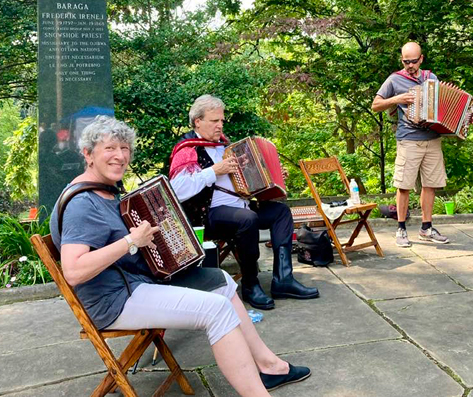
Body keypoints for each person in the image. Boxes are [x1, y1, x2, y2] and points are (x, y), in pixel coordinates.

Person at [49, 115, 312, 395]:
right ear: (88, 154)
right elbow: (74, 271)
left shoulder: (107, 193)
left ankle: (269, 365)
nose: (120, 156)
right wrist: (130, 241)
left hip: (136, 284)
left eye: (125, 149)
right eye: (110, 148)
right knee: (216, 310)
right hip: (115, 301)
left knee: (221, 281)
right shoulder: (82, 203)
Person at [169, 95, 319, 310]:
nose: (220, 125)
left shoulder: (226, 147)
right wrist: (213, 171)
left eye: (221, 120)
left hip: (243, 207)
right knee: (246, 219)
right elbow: (178, 190)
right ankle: (250, 284)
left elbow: (248, 182)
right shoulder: (187, 149)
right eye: (214, 121)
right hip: (208, 214)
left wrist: (272, 177)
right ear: (197, 122)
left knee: (281, 212)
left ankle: (283, 280)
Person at [372, 42, 473, 247]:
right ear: (401, 60)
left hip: (432, 140)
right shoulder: (395, 79)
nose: (410, 65)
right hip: (409, 140)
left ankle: (426, 228)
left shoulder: (431, 78)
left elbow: (447, 107)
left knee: (430, 185)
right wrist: (398, 98)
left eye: (413, 61)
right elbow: (376, 104)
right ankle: (401, 229)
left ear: (421, 59)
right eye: (406, 61)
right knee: (403, 186)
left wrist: (470, 117)